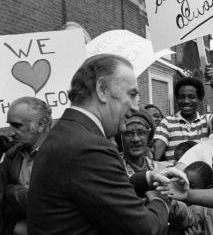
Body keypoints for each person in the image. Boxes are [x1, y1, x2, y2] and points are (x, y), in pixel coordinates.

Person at [27, 54, 188, 235]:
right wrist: (161, 199)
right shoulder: (90, 147)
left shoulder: (68, 132)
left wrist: (150, 176)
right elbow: (143, 229)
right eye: (132, 94)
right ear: (102, 89)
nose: (136, 107)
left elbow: (98, 191)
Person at [1, 97, 52, 235]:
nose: (11, 131)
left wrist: (11, 191)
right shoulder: (12, 155)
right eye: (10, 125)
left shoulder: (64, 154)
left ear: (41, 124)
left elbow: (49, 204)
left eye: (17, 126)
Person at [153, 77, 213, 161]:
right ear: (177, 99)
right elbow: (156, 156)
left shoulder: (207, 121)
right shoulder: (167, 122)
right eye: (181, 97)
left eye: (191, 97)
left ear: (200, 99)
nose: (186, 101)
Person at [115, 109, 170, 177]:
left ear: (149, 135)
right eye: (129, 133)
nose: (135, 139)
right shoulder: (113, 168)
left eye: (141, 133)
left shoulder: (162, 169)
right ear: (121, 137)